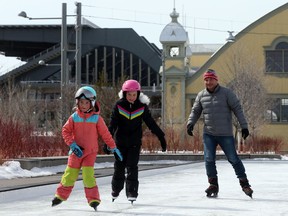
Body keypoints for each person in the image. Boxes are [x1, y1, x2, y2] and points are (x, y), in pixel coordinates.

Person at [51, 86, 123, 211]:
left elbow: (106, 134)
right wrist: (72, 144)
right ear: (77, 103)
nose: (83, 105)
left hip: (90, 153)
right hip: (76, 152)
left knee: (88, 175)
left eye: (86, 102)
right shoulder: (74, 117)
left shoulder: (97, 119)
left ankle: (93, 199)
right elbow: (65, 131)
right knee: (69, 175)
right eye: (81, 102)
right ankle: (60, 196)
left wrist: (113, 147)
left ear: (92, 103)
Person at [186, 69, 253, 198]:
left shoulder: (227, 93)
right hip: (209, 133)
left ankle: (245, 184)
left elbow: (237, 109)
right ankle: (213, 185)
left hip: (225, 134)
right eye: (206, 79)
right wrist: (190, 123)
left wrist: (244, 127)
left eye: (211, 79)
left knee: (233, 159)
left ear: (216, 80)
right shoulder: (201, 95)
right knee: (209, 159)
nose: (208, 82)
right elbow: (195, 111)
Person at [103, 79, 167, 203]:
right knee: (119, 167)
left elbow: (151, 123)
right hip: (120, 143)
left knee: (132, 167)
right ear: (124, 94)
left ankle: (132, 191)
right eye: (129, 94)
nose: (132, 97)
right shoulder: (119, 106)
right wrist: (107, 142)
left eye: (134, 95)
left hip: (134, 143)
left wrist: (161, 137)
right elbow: (112, 125)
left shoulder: (142, 107)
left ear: (138, 94)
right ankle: (116, 189)